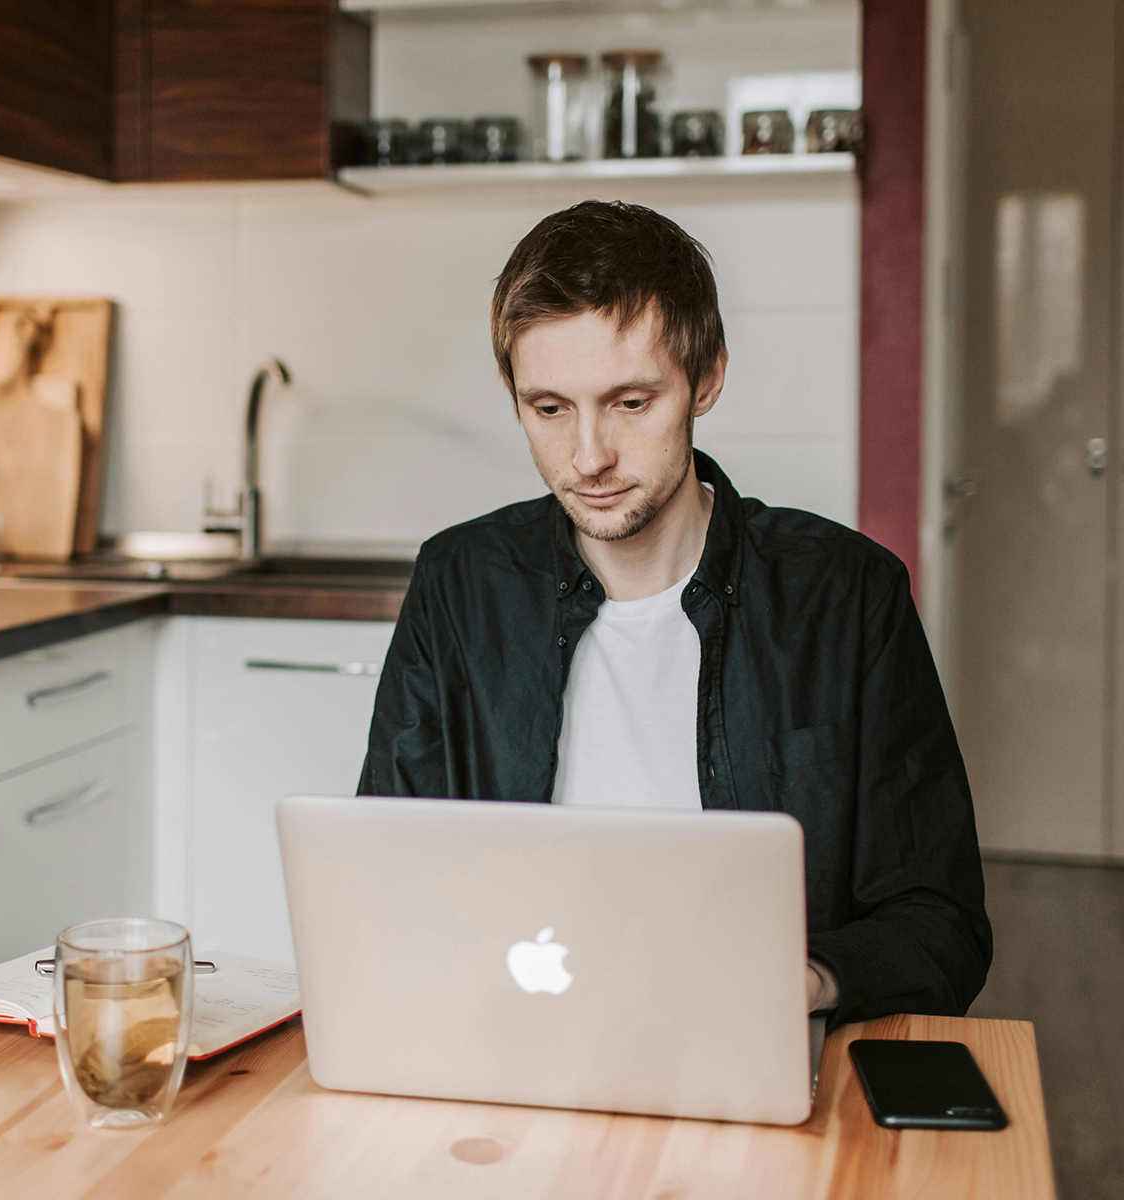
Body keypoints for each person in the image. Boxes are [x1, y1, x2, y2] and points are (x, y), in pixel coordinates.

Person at [358, 200, 990, 1027]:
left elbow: (941, 924)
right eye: (549, 409)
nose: (589, 457)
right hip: (508, 1036)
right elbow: (384, 877)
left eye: (630, 402)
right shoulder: (458, 584)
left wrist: (803, 982)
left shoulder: (846, 595)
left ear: (707, 378)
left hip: (748, 1044)